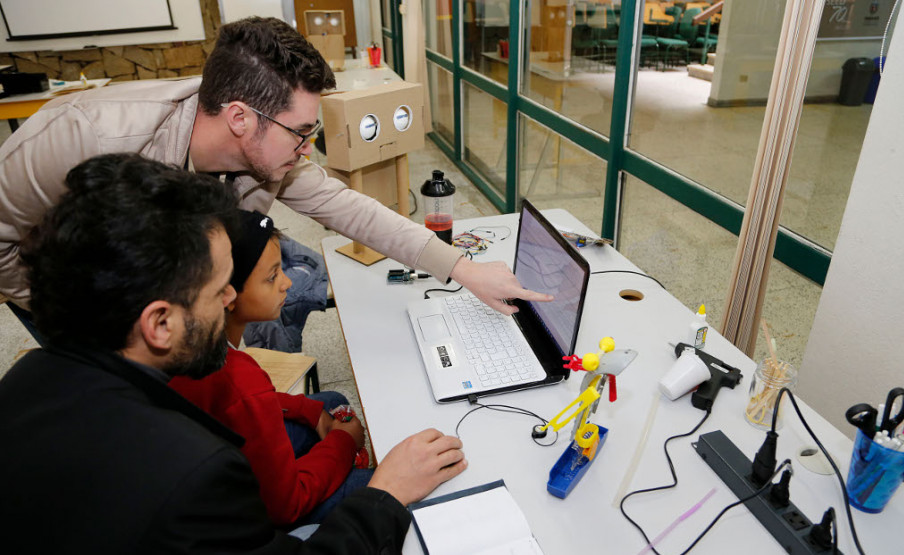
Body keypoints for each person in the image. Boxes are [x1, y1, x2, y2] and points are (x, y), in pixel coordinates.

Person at [0, 153, 467, 553]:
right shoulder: (194, 477)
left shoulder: (26, 379)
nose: (230, 299)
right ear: (159, 324)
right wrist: (387, 492)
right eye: (219, 287)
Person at [0, 16, 551, 339]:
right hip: (78, 302)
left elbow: (351, 210)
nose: (307, 148)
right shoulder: (85, 136)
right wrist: (83, 322)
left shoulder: (269, 152)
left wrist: (462, 268)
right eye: (301, 132)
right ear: (241, 118)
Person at [170, 209, 372, 527]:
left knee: (329, 402)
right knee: (380, 488)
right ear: (227, 294)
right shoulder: (239, 379)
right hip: (247, 515)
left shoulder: (193, 344)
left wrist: (309, 411)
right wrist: (343, 443)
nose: (287, 283)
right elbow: (286, 506)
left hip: (217, 466)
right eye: (272, 276)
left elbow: (252, 404)